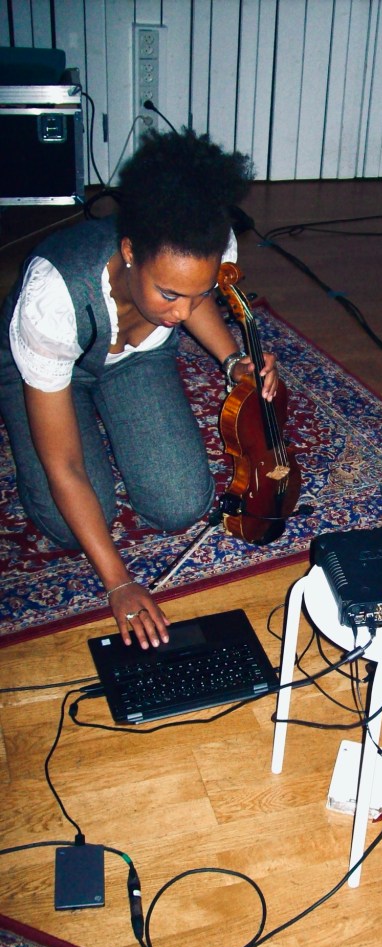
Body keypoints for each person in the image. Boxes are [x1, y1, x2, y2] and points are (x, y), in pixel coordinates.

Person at [0, 128, 277, 650]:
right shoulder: (51, 296)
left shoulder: (209, 244)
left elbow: (195, 303)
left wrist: (233, 362)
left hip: (135, 357)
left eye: (197, 294)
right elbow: (66, 465)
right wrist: (119, 581)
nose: (182, 312)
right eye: (168, 293)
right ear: (129, 251)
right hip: (48, 366)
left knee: (182, 503)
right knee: (72, 524)